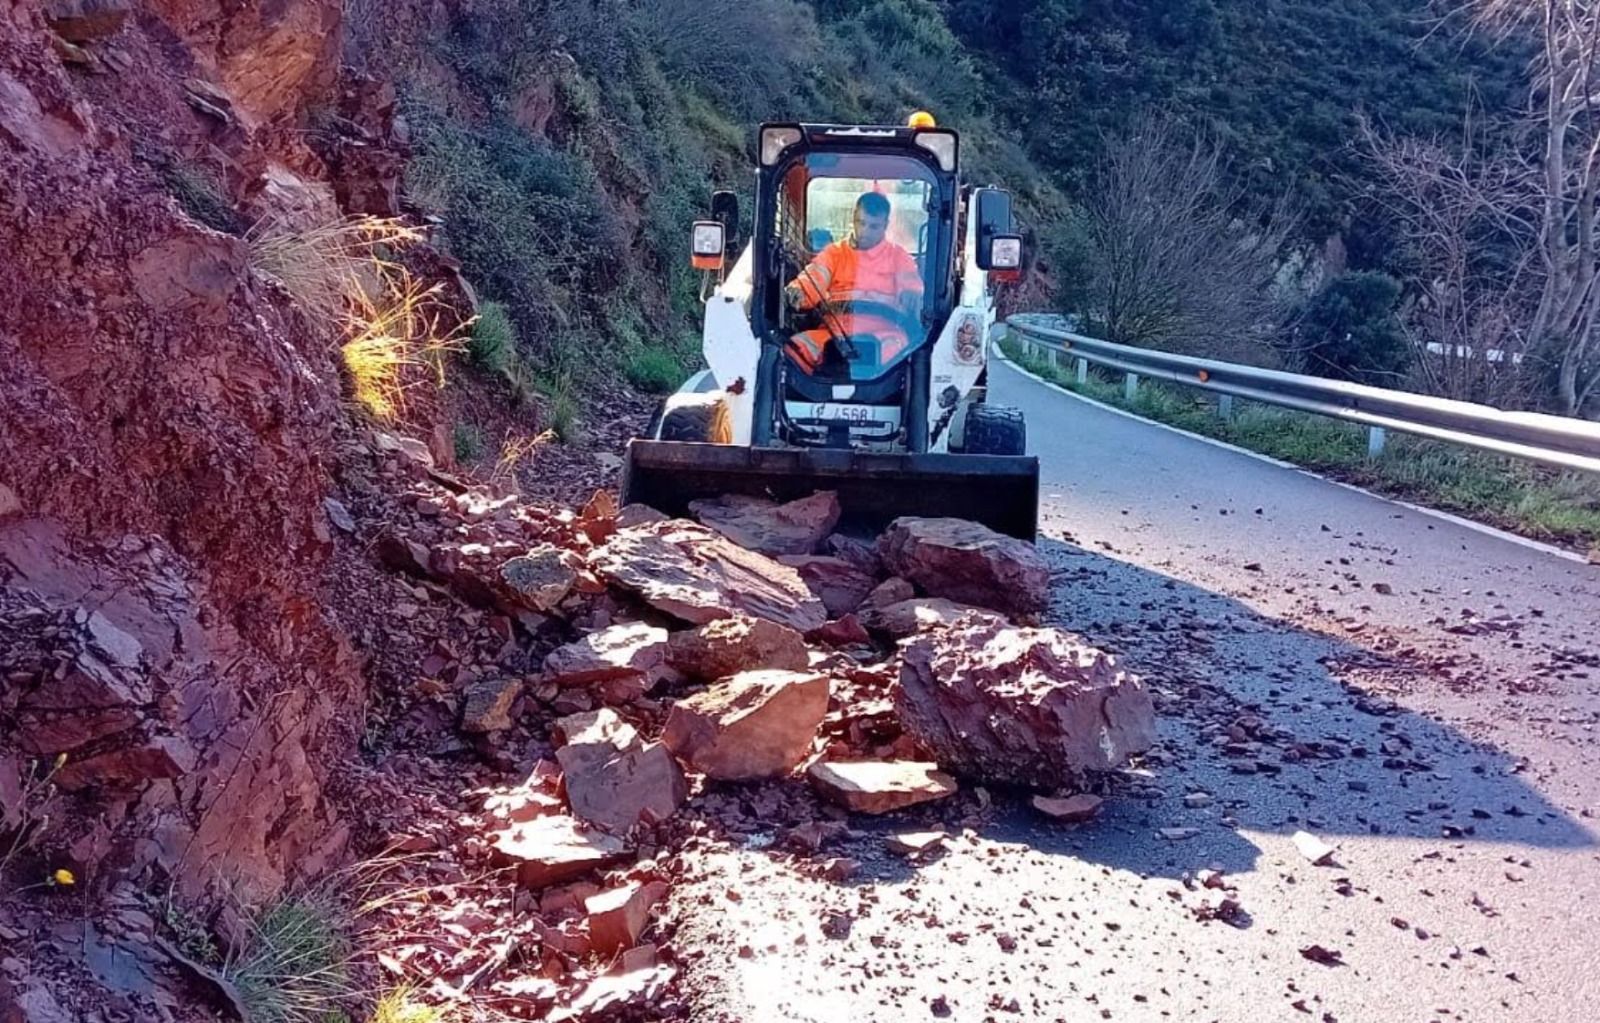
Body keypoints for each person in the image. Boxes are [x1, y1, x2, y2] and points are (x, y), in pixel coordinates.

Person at [784, 192, 924, 373]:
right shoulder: (834, 253)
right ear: (854, 218)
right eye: (861, 223)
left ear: (885, 226)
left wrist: (911, 294)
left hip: (883, 335)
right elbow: (814, 277)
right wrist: (798, 292)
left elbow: (911, 284)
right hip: (833, 334)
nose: (865, 231)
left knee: (900, 353)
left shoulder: (899, 257)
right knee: (795, 349)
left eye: (873, 226)